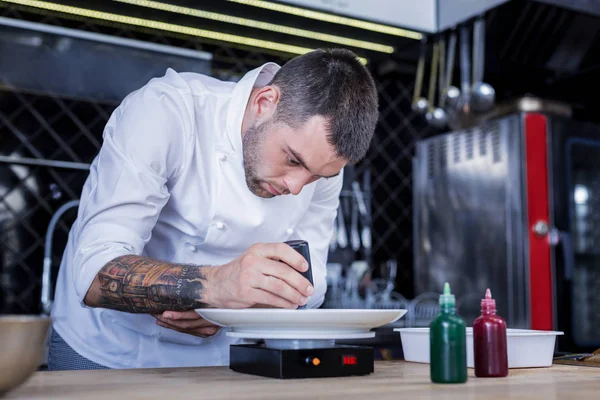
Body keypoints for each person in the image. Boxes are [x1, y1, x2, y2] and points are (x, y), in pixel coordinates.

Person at [47, 48, 379, 370]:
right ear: (265, 102)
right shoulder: (167, 111)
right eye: (292, 159)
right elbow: (94, 273)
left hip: (223, 359)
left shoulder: (322, 165)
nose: (296, 187)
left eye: (317, 176)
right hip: (108, 351)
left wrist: (239, 306)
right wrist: (214, 286)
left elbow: (311, 282)